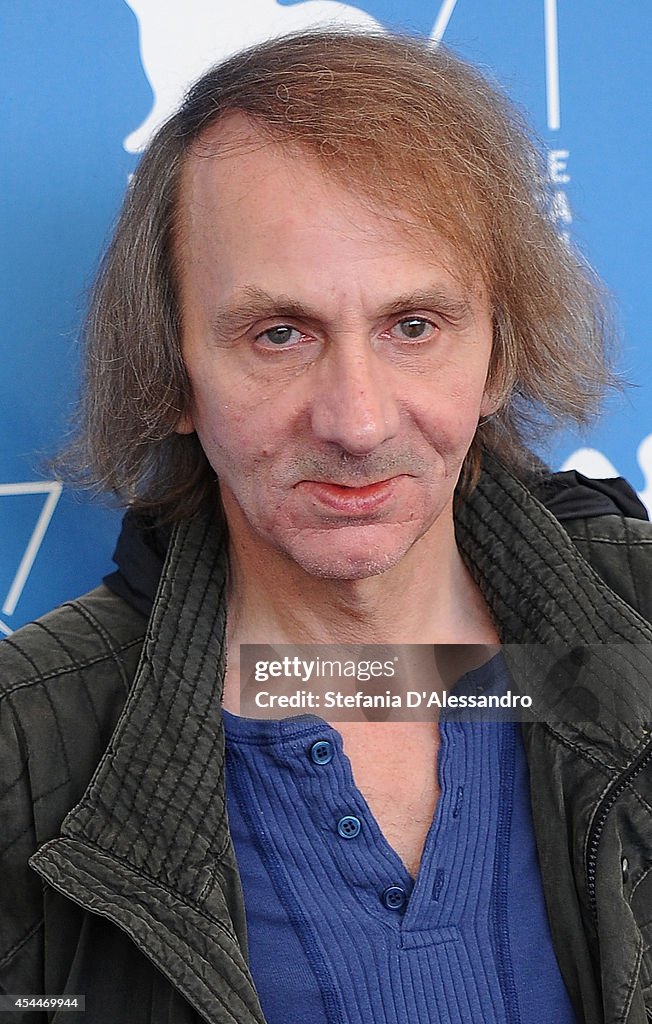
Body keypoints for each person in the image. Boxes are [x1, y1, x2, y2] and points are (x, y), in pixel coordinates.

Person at [1, 28, 652, 1024]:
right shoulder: (23, 746)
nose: (355, 420)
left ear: (497, 355)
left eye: (413, 326)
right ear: (173, 372)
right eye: (278, 333)